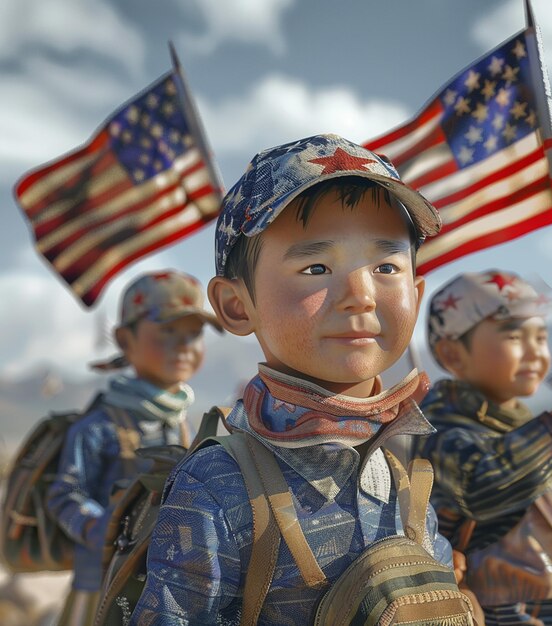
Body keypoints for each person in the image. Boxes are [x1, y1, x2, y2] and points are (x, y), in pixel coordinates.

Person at [130, 133, 455, 625]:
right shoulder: (217, 487)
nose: (360, 295)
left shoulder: (401, 482)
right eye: (316, 267)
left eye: (386, 266)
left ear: (416, 289)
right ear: (237, 306)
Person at [413, 269, 552, 626]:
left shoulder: (522, 428)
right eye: (514, 337)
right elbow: (481, 486)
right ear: (452, 354)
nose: (535, 353)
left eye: (540, 338)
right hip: (501, 612)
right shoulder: (442, 427)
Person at [46, 269, 222, 626]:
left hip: (163, 587)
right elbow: (65, 496)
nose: (184, 346)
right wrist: (110, 532)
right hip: (99, 585)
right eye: (168, 331)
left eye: (193, 334)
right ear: (125, 340)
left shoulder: (182, 421)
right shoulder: (99, 427)